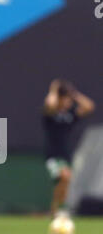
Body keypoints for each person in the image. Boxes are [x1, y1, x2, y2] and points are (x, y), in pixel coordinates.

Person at [42, 79, 95, 217]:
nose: (68, 102)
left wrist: (74, 94)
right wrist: (54, 90)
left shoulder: (70, 115)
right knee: (64, 177)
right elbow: (50, 104)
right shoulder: (51, 114)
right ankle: (60, 209)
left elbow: (89, 106)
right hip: (53, 155)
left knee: (63, 183)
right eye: (66, 99)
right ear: (60, 99)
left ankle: (55, 210)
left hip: (66, 155)